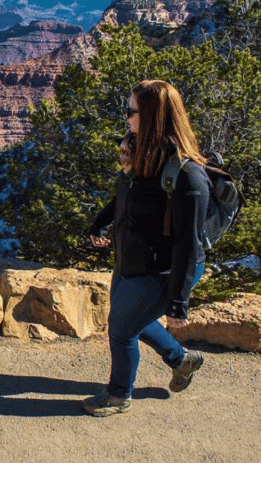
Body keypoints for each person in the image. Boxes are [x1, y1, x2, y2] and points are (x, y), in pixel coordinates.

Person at [83, 79, 209, 417]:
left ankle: (117, 395)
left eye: (131, 111)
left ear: (153, 116)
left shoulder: (187, 175)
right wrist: (100, 223)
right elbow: (124, 197)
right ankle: (182, 360)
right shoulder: (139, 151)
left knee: (122, 329)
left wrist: (178, 304)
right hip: (130, 260)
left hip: (163, 271)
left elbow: (188, 243)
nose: (126, 117)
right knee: (129, 320)